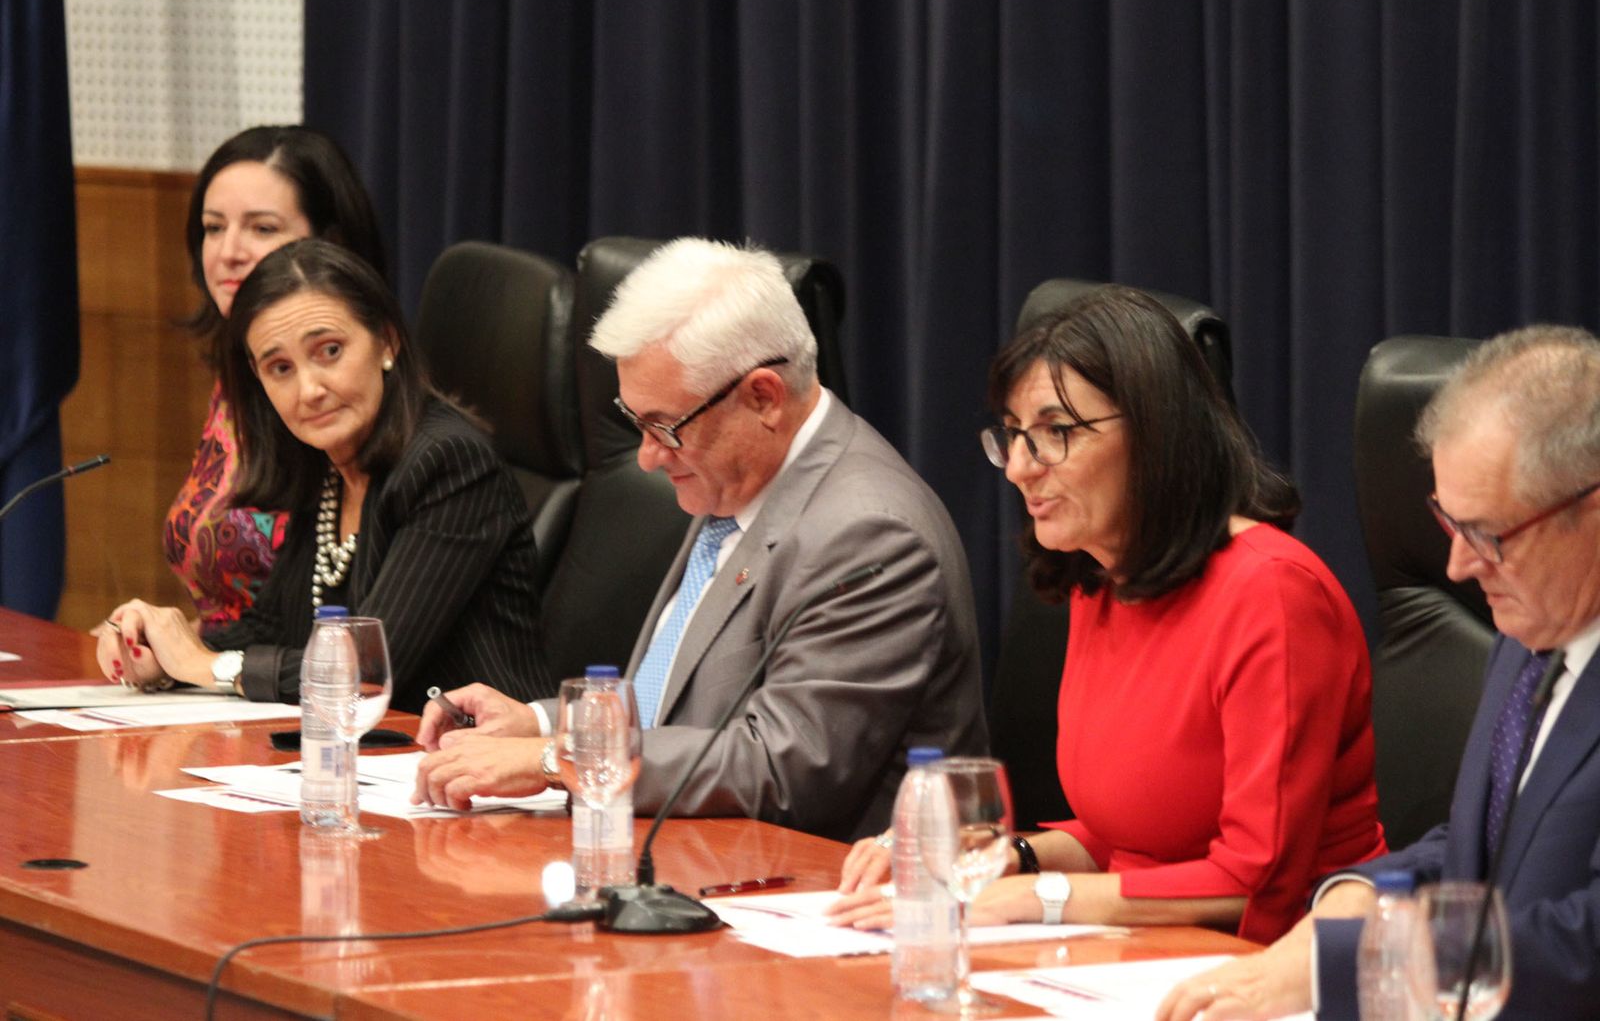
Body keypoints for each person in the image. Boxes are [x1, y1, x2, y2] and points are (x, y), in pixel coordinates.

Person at [831, 286, 1386, 944]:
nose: (1017, 468)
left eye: (1055, 433)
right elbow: (1131, 834)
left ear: (1157, 433)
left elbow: (1253, 876)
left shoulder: (1273, 592)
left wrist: (1027, 897)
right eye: (1012, 435)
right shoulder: (1098, 581)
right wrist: (1003, 856)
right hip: (1135, 953)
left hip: (1283, 962)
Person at [410, 237, 988, 841]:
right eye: (637, 423)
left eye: (664, 427)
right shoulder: (742, 477)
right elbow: (679, 703)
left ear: (762, 397)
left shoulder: (870, 534)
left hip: (821, 894)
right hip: (695, 857)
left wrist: (554, 759)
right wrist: (534, 722)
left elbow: (783, 766)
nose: (647, 457)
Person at [1160, 325, 1600, 1021]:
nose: (1457, 567)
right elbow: (1479, 850)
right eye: (1448, 524)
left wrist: (1348, 958)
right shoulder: (1531, 634)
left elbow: (1586, 945)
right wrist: (1361, 892)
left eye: (1488, 535)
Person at [97, 239, 551, 715]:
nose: (309, 389)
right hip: (376, 761)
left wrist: (206, 665)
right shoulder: (324, 465)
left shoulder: (449, 463)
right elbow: (270, 630)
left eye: (329, 351)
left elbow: (364, 674)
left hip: (483, 767)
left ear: (387, 340)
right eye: (280, 368)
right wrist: (162, 649)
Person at [165, 126, 387, 637]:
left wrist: (201, 660)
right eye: (214, 228)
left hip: (307, 687)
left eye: (262, 229)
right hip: (224, 678)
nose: (229, 252)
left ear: (328, 245)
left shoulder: (341, 398)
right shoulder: (235, 376)